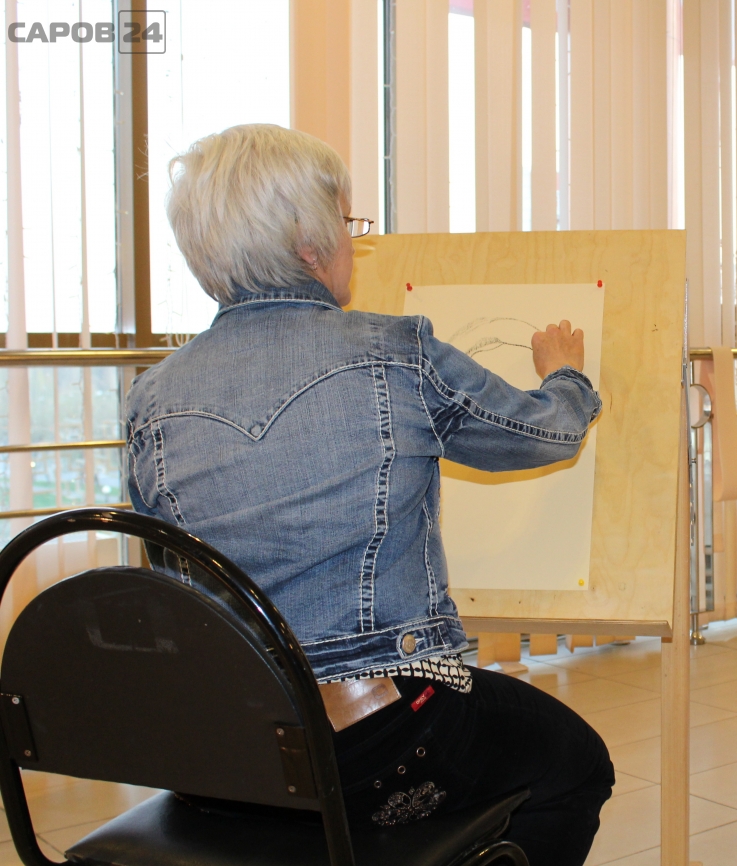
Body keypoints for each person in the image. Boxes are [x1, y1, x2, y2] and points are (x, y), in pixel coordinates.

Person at [124, 124, 613, 866]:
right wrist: (567, 376)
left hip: (225, 756)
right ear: (311, 244)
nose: (353, 242)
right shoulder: (395, 352)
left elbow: (172, 574)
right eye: (347, 223)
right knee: (576, 764)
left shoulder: (151, 398)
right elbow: (545, 434)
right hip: (377, 739)